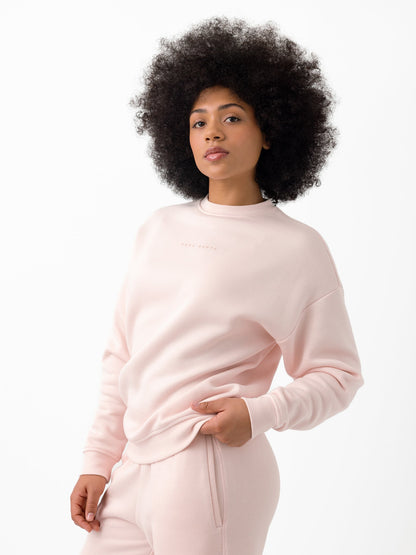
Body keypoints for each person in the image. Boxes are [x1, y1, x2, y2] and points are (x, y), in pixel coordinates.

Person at [70, 16, 364, 555]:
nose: (212, 132)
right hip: (133, 465)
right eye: (197, 121)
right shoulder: (159, 228)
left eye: (232, 117)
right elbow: (122, 356)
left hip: (209, 463)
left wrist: (259, 413)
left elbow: (339, 374)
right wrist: (98, 459)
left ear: (270, 130)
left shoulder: (295, 248)